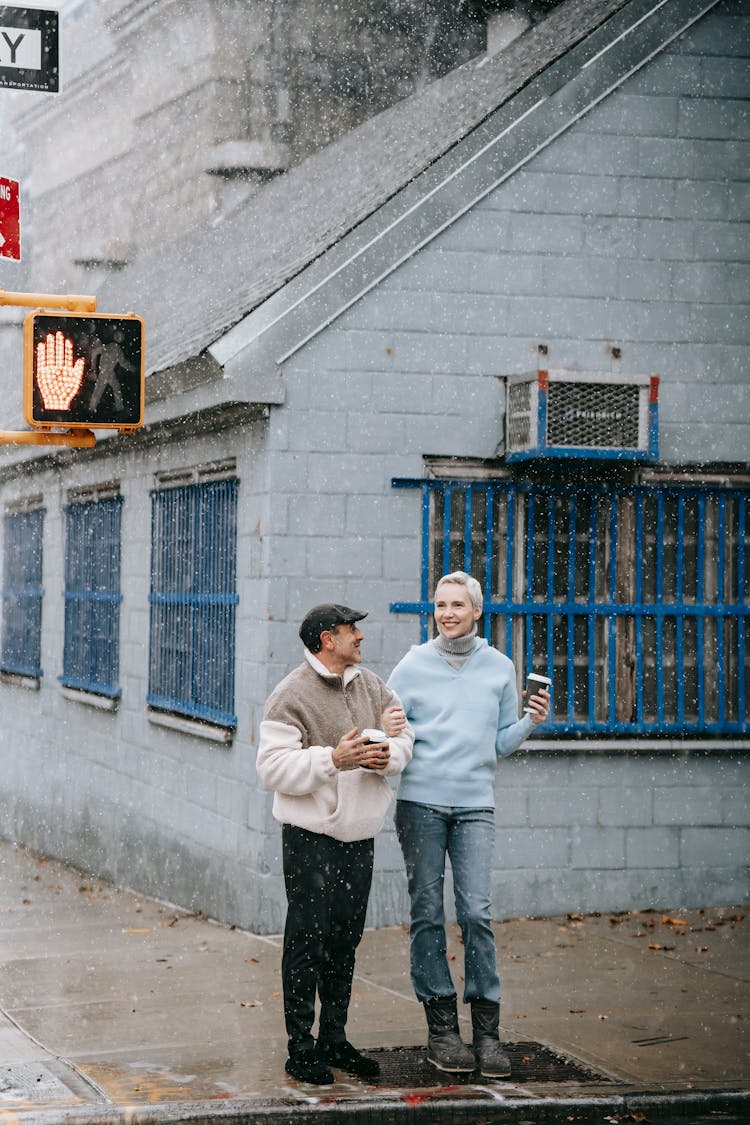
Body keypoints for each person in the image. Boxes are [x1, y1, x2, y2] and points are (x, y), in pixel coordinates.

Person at [387, 571, 550, 1079]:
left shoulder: (500, 668)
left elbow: (498, 743)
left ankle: (487, 1032)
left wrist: (530, 723)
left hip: (476, 805)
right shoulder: (413, 664)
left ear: (477, 611)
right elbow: (390, 723)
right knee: (428, 912)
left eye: (458, 605)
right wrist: (393, 726)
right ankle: (441, 1028)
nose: (448, 613)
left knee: (477, 913)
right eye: (440, 604)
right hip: (421, 804)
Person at [257, 603, 413, 1085]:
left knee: (345, 941)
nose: (360, 638)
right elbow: (271, 769)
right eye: (352, 631)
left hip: (358, 838)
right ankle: (300, 1049)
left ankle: (334, 1040)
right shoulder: (290, 695)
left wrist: (388, 755)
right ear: (328, 638)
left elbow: (406, 738)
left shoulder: (372, 685)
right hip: (309, 838)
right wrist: (333, 759)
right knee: (307, 941)